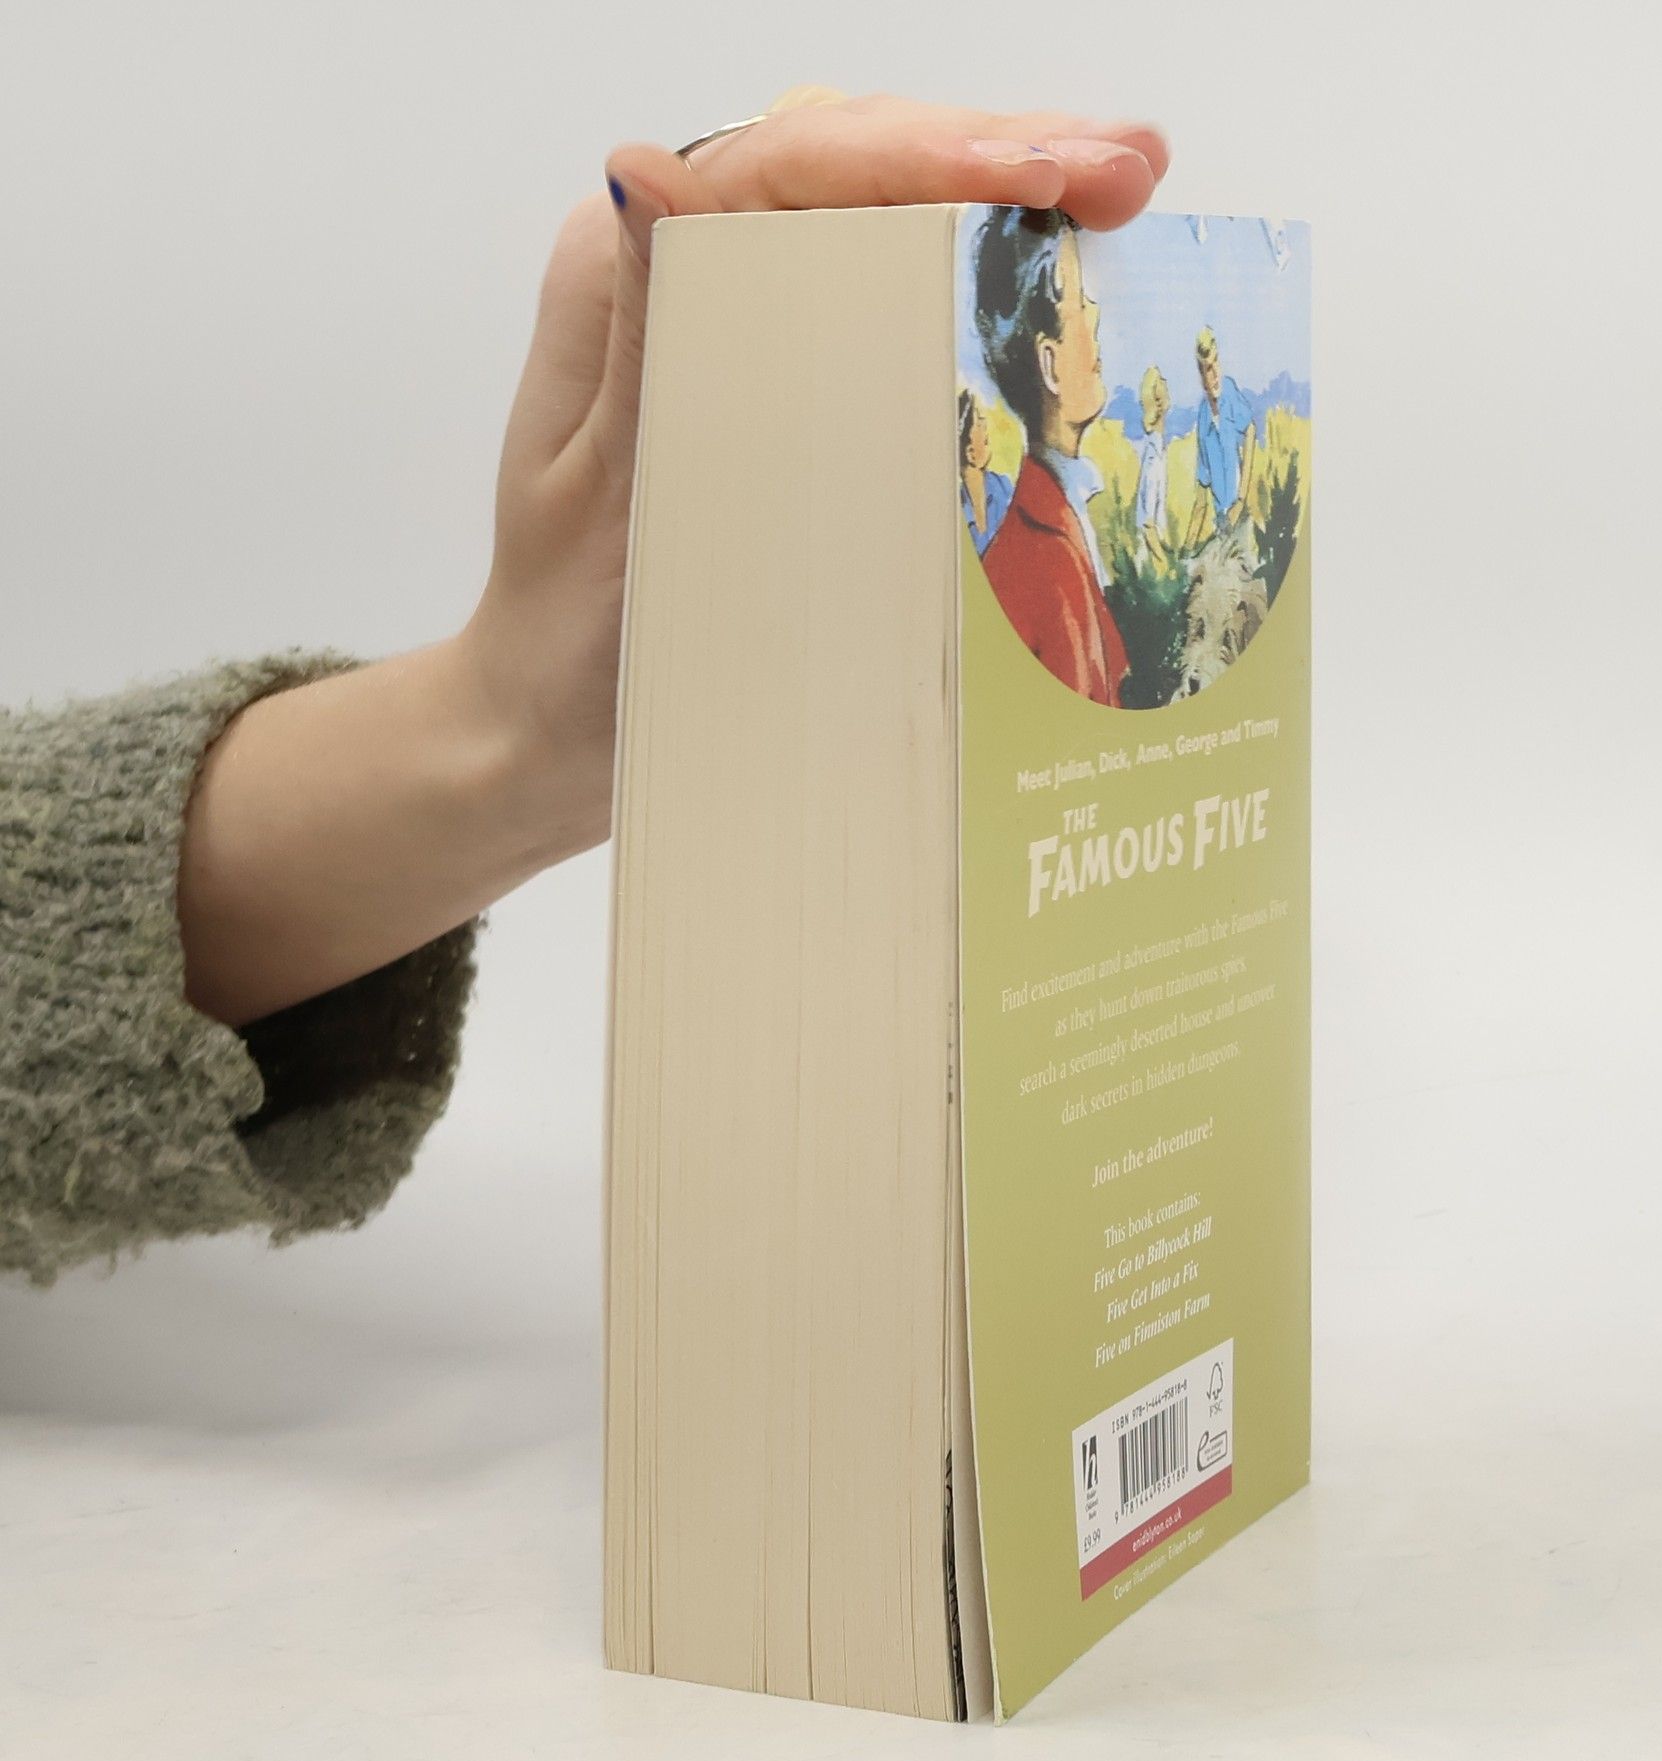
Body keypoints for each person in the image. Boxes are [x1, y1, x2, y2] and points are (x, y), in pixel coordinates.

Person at [0, 91, 1168, 1287]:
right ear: (1039, 358)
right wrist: (510, 735)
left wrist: (513, 732)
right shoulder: (1038, 552)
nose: (1101, 336)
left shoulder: (1060, 539)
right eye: (1081, 316)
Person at [971, 207, 1131, 706]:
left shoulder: (1056, 519)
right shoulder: (1046, 560)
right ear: (1050, 363)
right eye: (1080, 301)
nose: (1095, 313)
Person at [1183, 325, 1260, 549]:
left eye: (1216, 361)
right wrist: (1186, 550)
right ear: (1201, 377)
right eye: (1208, 368)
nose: (1215, 373)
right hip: (1221, 524)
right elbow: (1202, 490)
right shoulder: (1203, 417)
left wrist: (1241, 500)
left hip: (1241, 518)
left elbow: (1250, 429)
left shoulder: (1229, 391)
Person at [958, 389, 1014, 554]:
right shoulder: (959, 512)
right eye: (978, 422)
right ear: (971, 453)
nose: (985, 425)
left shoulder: (1004, 488)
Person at [1133, 364, 1172, 570]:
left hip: (1155, 556)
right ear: (1158, 402)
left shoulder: (1159, 452)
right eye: (1162, 381)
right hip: (1150, 565)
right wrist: (1167, 565)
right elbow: (1149, 526)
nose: (1166, 382)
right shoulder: (1153, 458)